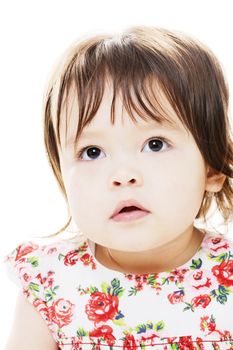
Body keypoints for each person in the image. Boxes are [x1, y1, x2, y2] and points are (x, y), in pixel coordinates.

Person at [3, 25, 233, 350]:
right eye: (92, 152)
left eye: (155, 144)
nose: (122, 175)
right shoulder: (52, 284)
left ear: (212, 166)